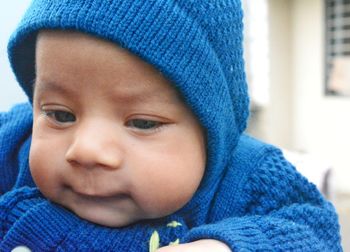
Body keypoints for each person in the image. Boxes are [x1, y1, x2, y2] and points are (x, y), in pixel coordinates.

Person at [0, 0, 342, 251]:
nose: (86, 149)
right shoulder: (15, 142)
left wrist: (224, 246)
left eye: (142, 122)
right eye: (60, 115)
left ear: (210, 130)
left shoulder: (245, 176)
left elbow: (315, 231)